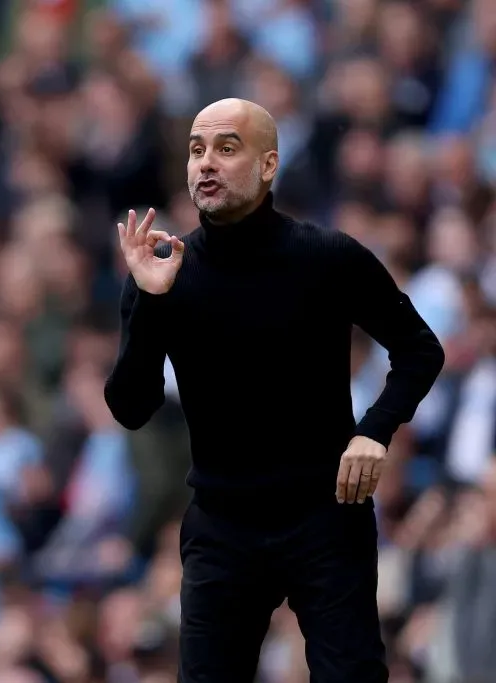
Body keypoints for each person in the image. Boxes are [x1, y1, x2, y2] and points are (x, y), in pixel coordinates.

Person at [104, 98, 445, 682]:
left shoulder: (327, 256)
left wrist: (375, 431)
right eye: (196, 150)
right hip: (221, 523)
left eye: (226, 148)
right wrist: (151, 304)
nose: (206, 163)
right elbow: (130, 408)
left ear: (268, 166)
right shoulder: (163, 272)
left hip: (326, 516)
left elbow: (420, 349)